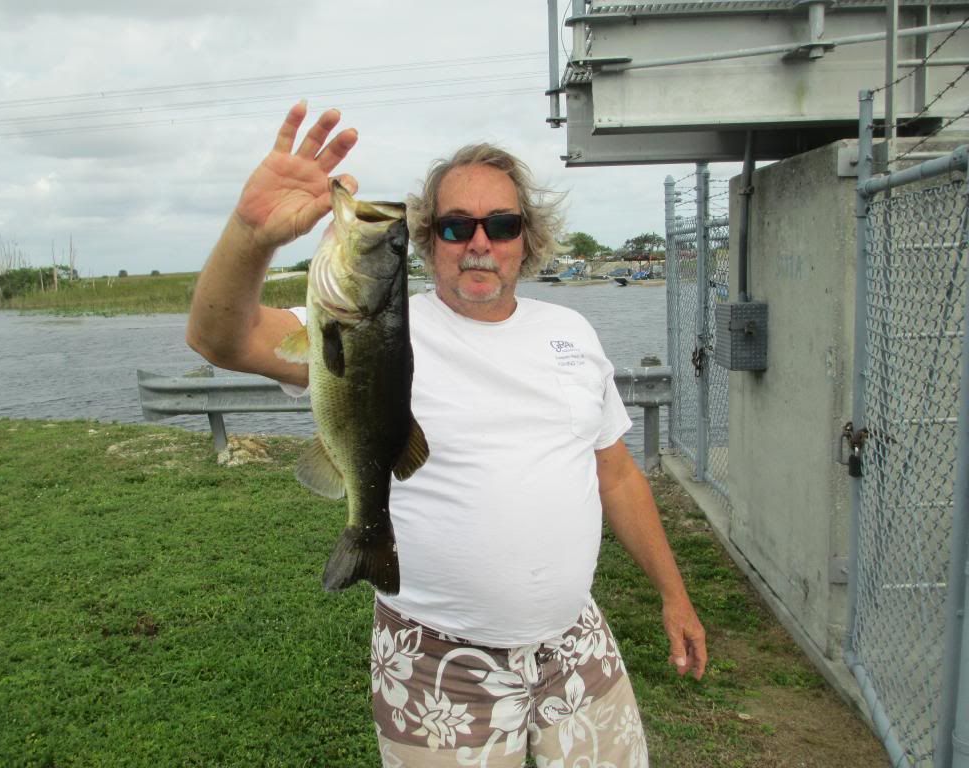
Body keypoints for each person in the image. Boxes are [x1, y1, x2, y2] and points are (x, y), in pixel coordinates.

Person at [187, 101, 706, 767]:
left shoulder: (572, 333)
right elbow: (218, 337)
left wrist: (674, 593)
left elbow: (618, 475)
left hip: (577, 645)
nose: (479, 242)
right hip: (437, 662)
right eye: (457, 225)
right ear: (429, 240)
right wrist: (251, 234)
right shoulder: (373, 324)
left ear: (527, 238)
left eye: (502, 224)